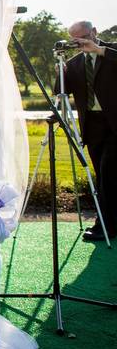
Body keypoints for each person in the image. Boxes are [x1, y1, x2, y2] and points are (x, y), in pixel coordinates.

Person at [60, 20, 116, 242]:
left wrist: (100, 51)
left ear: (94, 32)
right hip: (93, 127)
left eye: (84, 36)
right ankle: (110, 222)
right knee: (104, 177)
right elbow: (59, 90)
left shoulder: (112, 49)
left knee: (107, 174)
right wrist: (60, 70)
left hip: (115, 125)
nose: (81, 42)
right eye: (75, 40)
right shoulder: (74, 63)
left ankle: (104, 226)